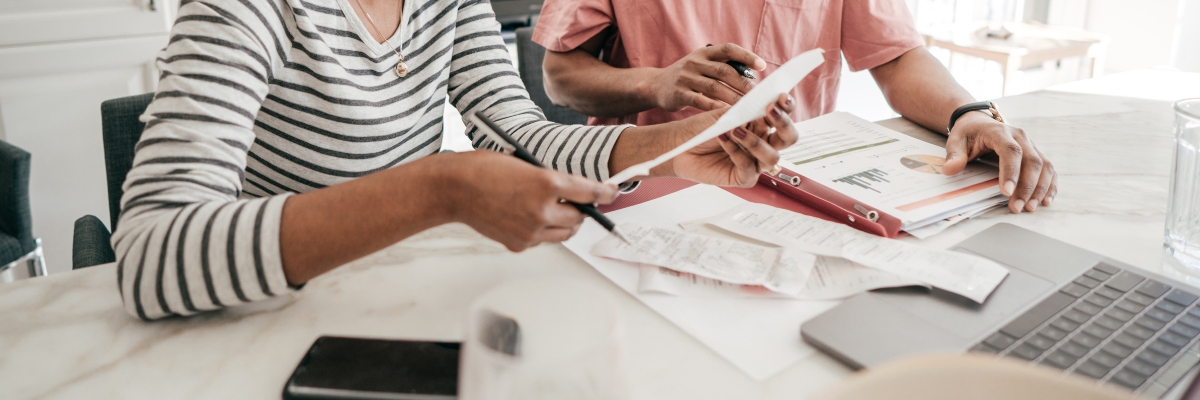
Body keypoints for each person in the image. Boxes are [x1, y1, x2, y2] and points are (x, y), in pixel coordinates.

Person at [115, 0, 799, 320]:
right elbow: (148, 260)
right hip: (277, 310)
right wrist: (438, 189)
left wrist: (677, 148)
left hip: (402, 299)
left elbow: (517, 134)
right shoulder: (242, 10)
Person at [534, 0, 1058, 214]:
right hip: (640, 193)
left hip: (787, 188)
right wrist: (655, 85)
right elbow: (559, 78)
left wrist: (967, 113)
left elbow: (896, 58)